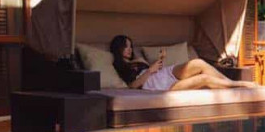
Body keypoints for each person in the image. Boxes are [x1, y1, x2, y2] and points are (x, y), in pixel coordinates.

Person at [109, 35, 255, 91]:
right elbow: (133, 85)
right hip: (162, 86)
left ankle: (230, 82)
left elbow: (153, 70)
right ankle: (239, 85)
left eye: (130, 46)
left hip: (164, 73)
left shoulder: (137, 59)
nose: (129, 49)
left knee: (198, 63)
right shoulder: (120, 66)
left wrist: (159, 62)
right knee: (204, 79)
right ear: (118, 48)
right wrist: (150, 70)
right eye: (125, 46)